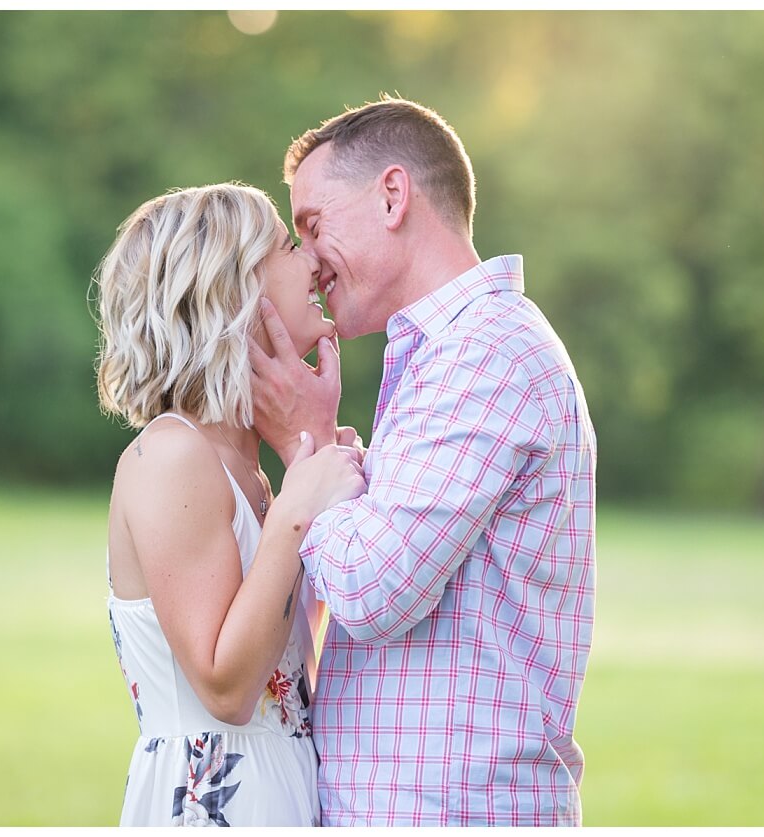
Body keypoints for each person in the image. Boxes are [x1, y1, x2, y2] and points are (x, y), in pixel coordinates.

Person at [249, 97, 596, 826]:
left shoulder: (486, 353)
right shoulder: (444, 357)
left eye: (313, 225)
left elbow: (374, 591)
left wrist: (300, 445)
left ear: (394, 195)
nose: (306, 260)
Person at [93, 182, 367, 826]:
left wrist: (310, 452)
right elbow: (225, 686)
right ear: (230, 290)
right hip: (215, 805)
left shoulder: (251, 471)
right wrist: (299, 508)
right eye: (283, 246)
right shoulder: (171, 457)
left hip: (283, 792)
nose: (312, 261)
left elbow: (286, 665)